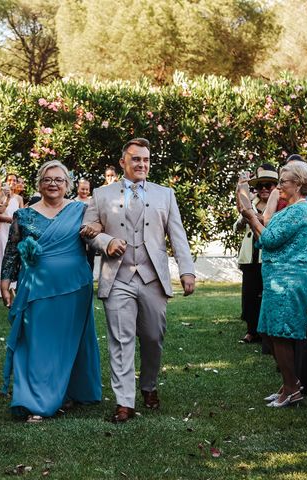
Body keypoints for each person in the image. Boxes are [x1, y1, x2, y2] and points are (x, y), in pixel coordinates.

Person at [81, 138, 195, 422]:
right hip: (117, 277)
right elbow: (88, 231)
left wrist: (187, 270)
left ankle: (149, 385)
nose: (141, 164)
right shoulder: (102, 194)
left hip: (152, 276)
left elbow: (177, 234)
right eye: (135, 159)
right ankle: (125, 402)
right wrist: (106, 241)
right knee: (121, 339)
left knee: (153, 337)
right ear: (123, 162)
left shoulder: (164, 194)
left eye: (145, 160)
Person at [0, 160, 101, 422]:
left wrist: (100, 230)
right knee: (37, 342)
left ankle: (67, 391)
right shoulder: (24, 214)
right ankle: (35, 399)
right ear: (39, 183)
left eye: (59, 180)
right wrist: (5, 282)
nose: (53, 184)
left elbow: (98, 231)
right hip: (36, 288)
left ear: (67, 184)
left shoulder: (82, 210)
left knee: (68, 342)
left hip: (75, 287)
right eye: (47, 179)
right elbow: (12, 251)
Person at [236, 161, 307, 407]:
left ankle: (292, 389)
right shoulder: (289, 210)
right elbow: (267, 238)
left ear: (299, 184)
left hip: (290, 277)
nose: (279, 186)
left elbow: (269, 238)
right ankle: (289, 382)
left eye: (284, 181)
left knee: (280, 333)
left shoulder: (301, 211)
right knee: (266, 331)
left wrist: (251, 216)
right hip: (277, 276)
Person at [234, 166, 278, 344]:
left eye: (268, 185)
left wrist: (254, 217)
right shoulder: (250, 202)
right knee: (249, 294)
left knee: (266, 293)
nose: (264, 189)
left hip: (268, 254)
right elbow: (237, 226)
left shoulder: (279, 204)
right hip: (250, 255)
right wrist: (245, 217)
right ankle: (251, 330)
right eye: (260, 186)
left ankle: (266, 331)